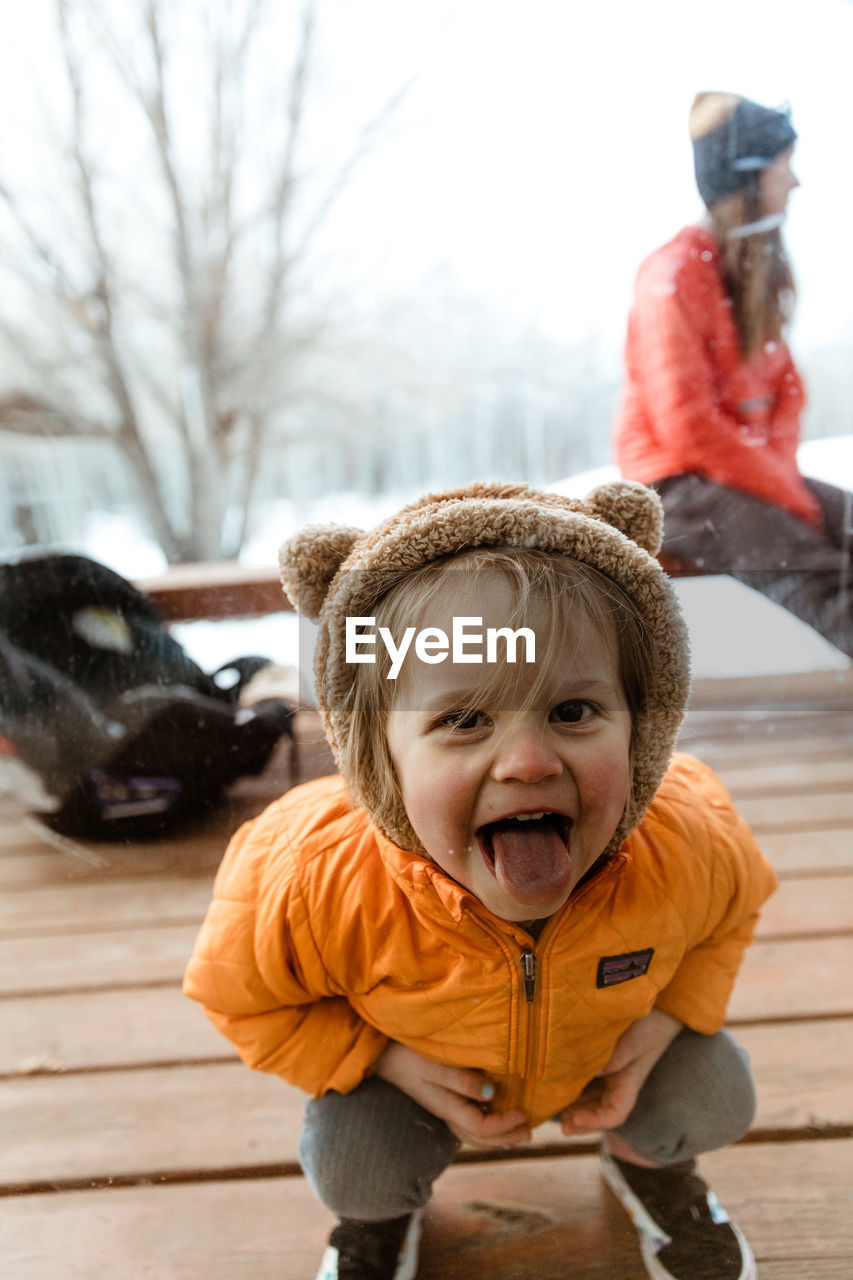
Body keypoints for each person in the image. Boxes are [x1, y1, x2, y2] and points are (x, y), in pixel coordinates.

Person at [184, 479, 777, 1280]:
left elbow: (728, 918)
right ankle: (380, 1222)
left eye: (572, 711)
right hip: (419, 1075)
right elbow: (239, 995)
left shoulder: (689, 838)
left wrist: (670, 1019)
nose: (528, 762)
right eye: (463, 721)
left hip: (601, 1055)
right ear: (376, 754)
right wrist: (379, 1059)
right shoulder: (310, 878)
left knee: (715, 1093)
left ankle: (648, 1166)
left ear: (642, 721)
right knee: (356, 1167)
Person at [614, 91, 852, 659]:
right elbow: (688, 426)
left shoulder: (752, 271)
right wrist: (783, 491)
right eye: (783, 166)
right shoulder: (670, 275)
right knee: (812, 565)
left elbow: (786, 394)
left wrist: (782, 481)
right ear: (746, 177)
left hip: (742, 473)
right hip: (675, 484)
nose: (795, 182)